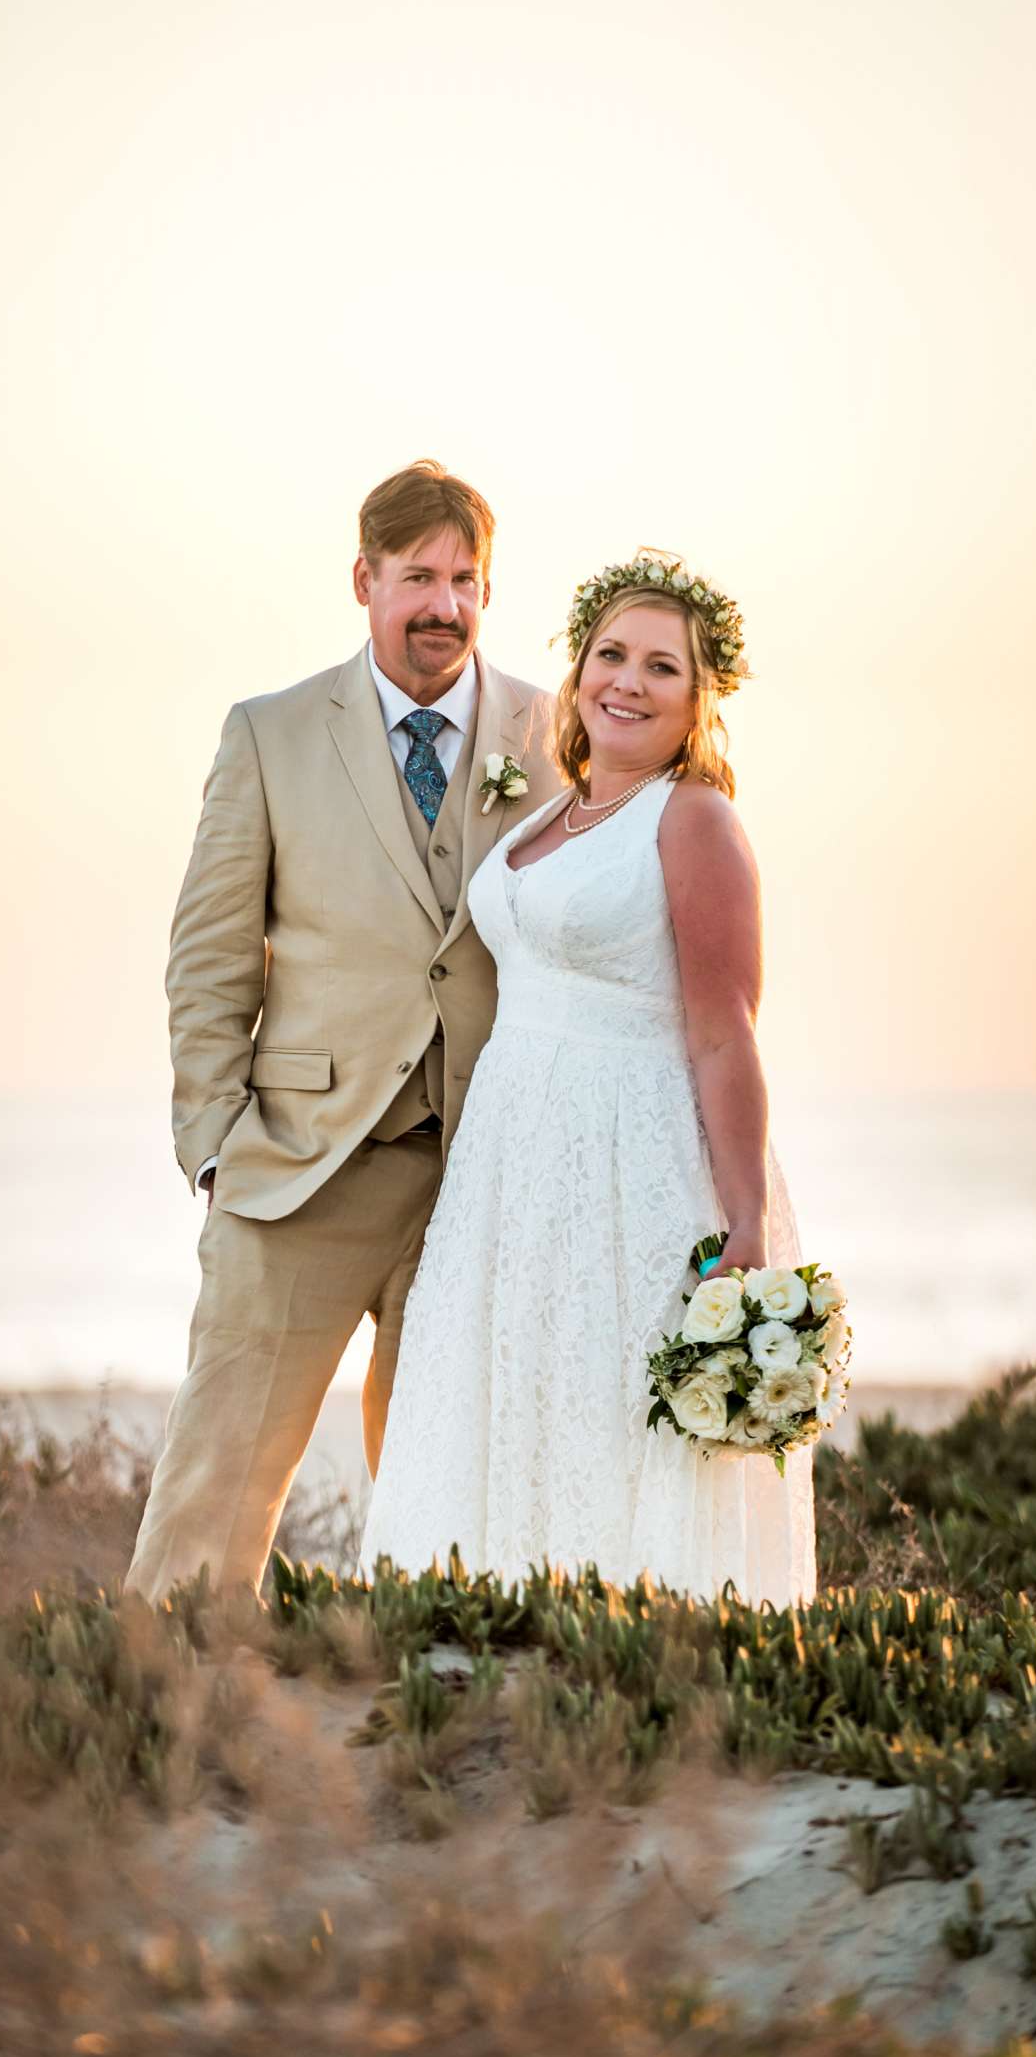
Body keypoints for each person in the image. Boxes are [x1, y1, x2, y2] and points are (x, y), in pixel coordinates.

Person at [125, 461, 558, 1606]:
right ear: (364, 580)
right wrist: (213, 1141)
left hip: (478, 1176)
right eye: (419, 577)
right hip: (298, 1166)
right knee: (214, 1500)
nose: (445, 607)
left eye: (467, 581)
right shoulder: (269, 736)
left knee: (449, 1504)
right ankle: (160, 1719)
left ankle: (431, 1730)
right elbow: (208, 955)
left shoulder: (551, 732)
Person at [357, 552, 818, 1606]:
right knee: (517, 1393)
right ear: (576, 677)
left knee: (611, 1405)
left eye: (663, 667)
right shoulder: (544, 817)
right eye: (610, 654)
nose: (628, 681)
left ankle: (640, 1654)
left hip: (630, 1159)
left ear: (700, 700)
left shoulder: (691, 819)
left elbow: (723, 1032)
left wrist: (746, 1220)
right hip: (511, 1168)